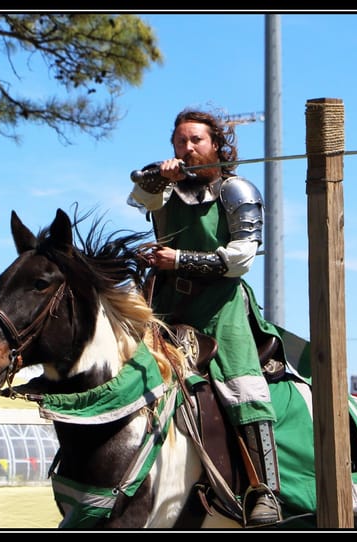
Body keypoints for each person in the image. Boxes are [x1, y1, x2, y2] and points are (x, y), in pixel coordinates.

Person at [128, 108, 285, 526]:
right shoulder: (165, 190)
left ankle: (265, 491)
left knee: (242, 386)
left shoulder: (236, 190)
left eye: (196, 140)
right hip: (165, 304)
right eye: (180, 141)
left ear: (216, 144)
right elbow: (140, 197)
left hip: (220, 304)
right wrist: (158, 176)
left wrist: (179, 259)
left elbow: (241, 259)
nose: (188, 148)